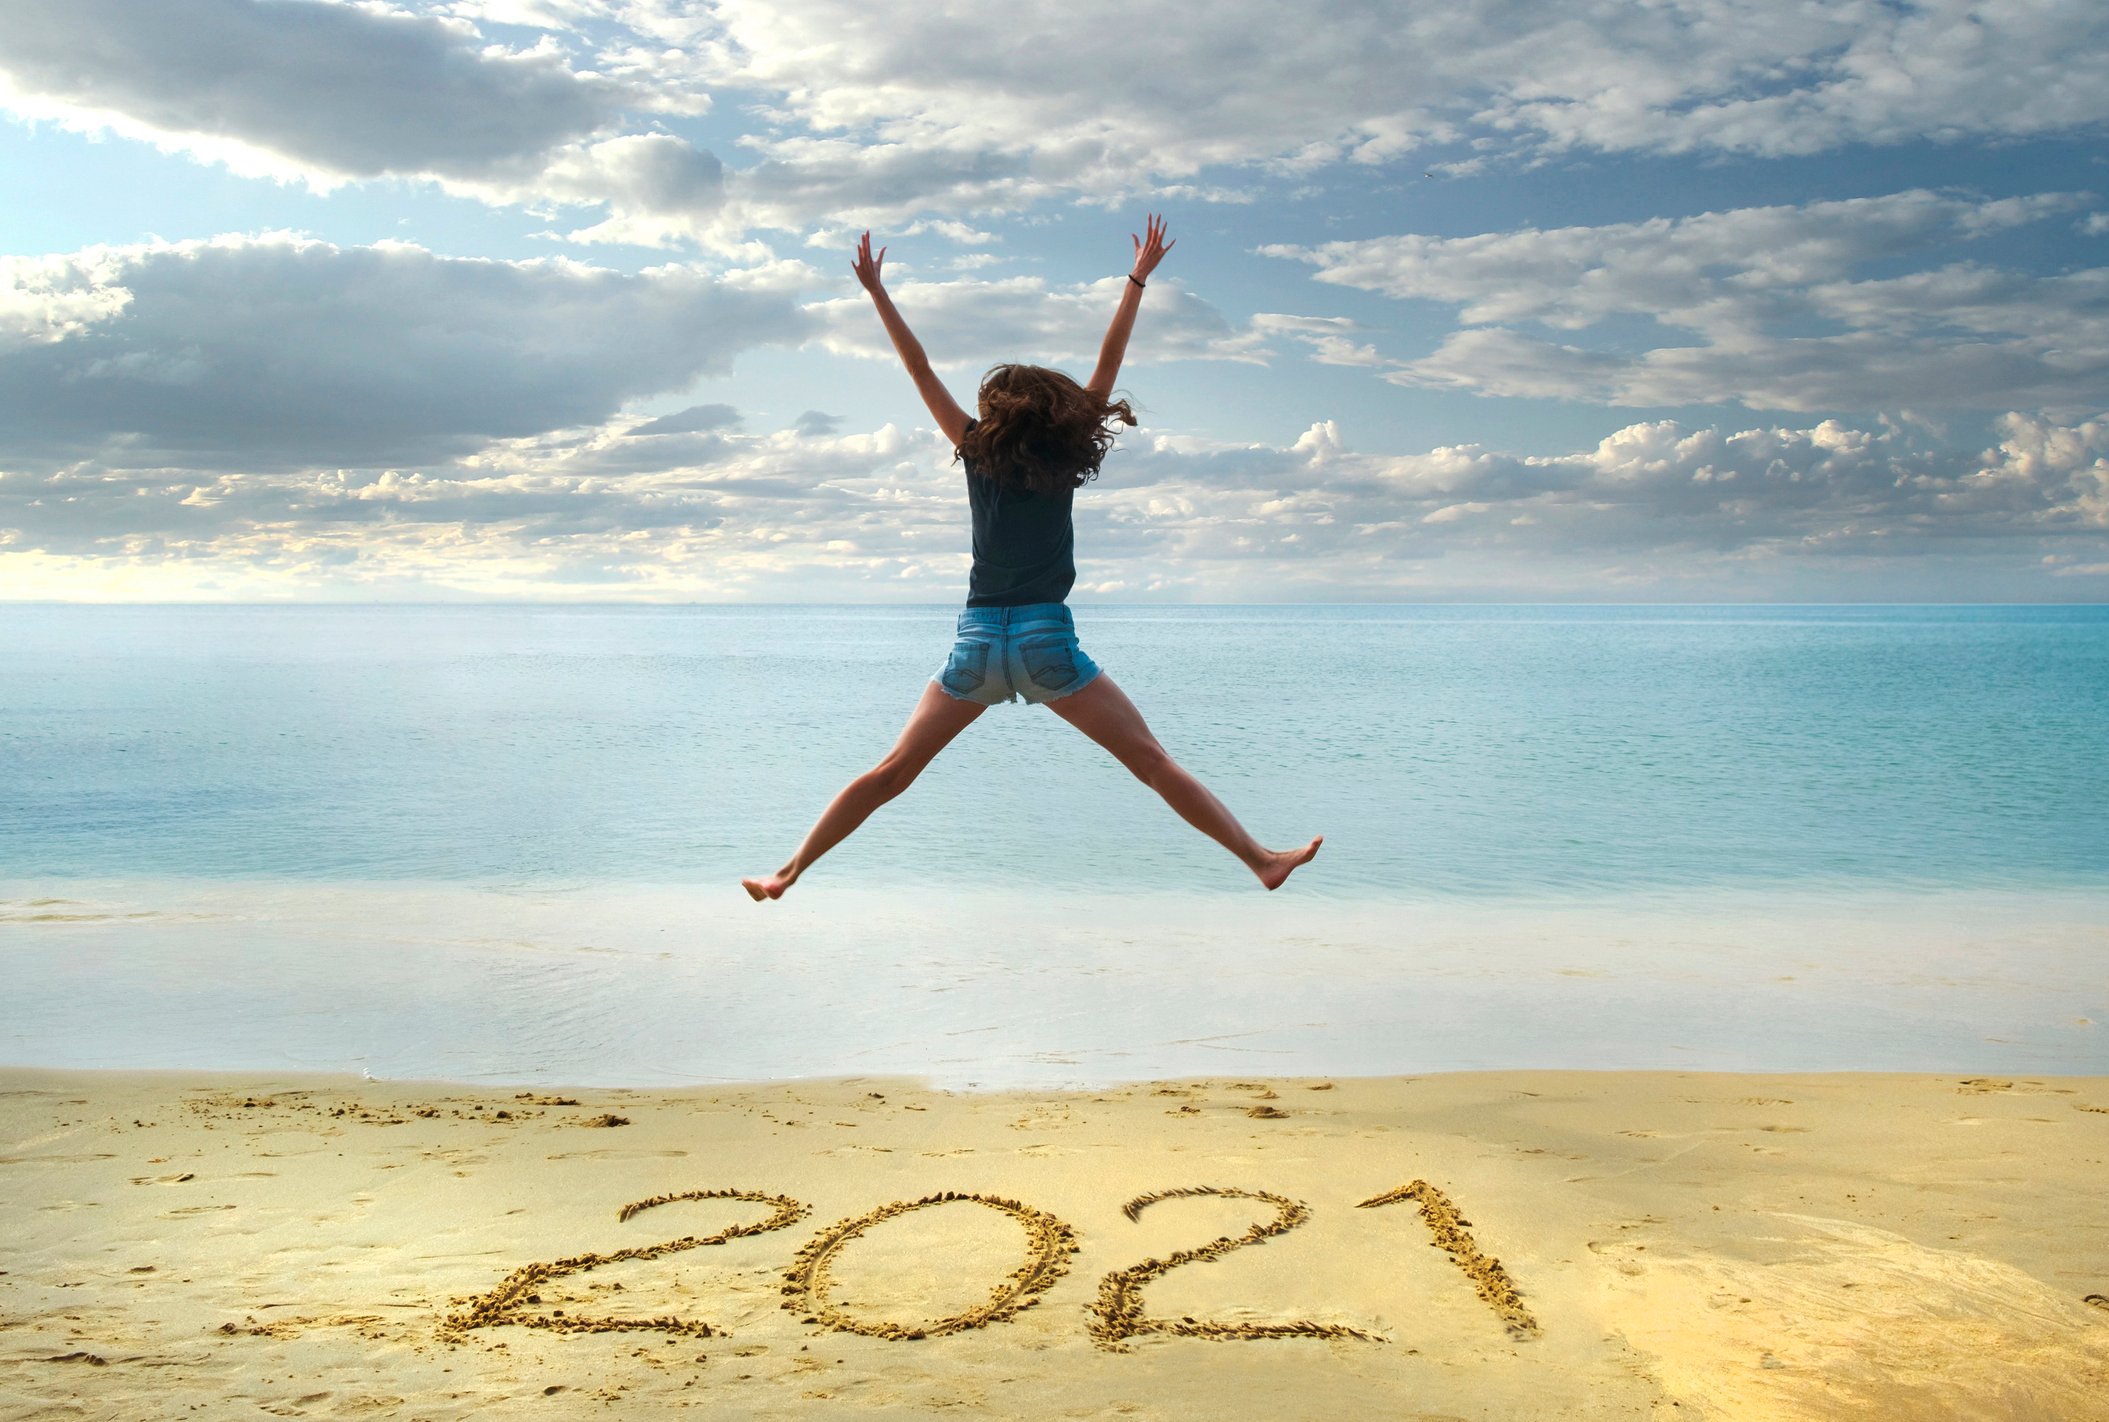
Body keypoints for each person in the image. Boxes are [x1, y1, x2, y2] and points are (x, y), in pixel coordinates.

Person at [741, 216, 1321, 901]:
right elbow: (1109, 364)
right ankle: (1258, 860)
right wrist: (1136, 280)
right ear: (1054, 411)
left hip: (978, 642)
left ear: (991, 414)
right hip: (1048, 641)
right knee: (1151, 763)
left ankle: (787, 871)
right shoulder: (1063, 453)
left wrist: (876, 292)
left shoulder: (972, 449)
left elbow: (918, 368)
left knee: (892, 772)